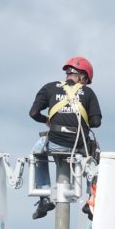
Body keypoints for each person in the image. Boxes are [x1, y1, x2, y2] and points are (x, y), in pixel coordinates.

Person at [29, 56, 102, 220]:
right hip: (79, 146)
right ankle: (92, 199)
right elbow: (96, 122)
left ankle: (44, 195)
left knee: (37, 152)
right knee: (94, 157)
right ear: (83, 77)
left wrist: (47, 120)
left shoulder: (49, 88)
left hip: (54, 142)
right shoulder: (88, 93)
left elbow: (33, 113)